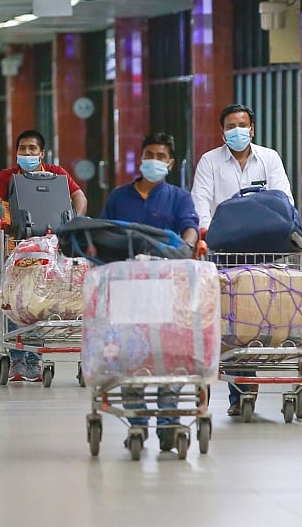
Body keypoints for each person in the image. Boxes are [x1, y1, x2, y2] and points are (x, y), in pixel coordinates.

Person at [190, 103, 295, 417]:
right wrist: (205, 233)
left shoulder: (269, 159)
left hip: (264, 246)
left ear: (253, 128)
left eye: (243, 125)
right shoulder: (210, 161)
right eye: (230, 126)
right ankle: (240, 389)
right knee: (230, 318)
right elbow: (201, 201)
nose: (237, 131)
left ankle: (249, 382)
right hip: (225, 249)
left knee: (257, 314)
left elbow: (284, 199)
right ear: (223, 131)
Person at [99, 132, 199, 452]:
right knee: (133, 354)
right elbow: (104, 233)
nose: (153, 161)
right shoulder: (119, 197)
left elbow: (190, 227)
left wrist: (189, 245)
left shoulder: (179, 197)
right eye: (149, 154)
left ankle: (169, 421)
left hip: (166, 288)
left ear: (170, 163)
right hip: (128, 289)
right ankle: (137, 422)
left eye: (160, 156)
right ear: (140, 159)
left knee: (168, 355)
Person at [0, 129, 88, 381]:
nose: (27, 153)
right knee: (18, 298)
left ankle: (35, 359)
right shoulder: (8, 177)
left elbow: (79, 196)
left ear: (41, 153)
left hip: (51, 250)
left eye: (32, 149)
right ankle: (19, 359)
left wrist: (76, 219)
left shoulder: (57, 174)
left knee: (41, 299)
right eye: (22, 149)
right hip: (18, 248)